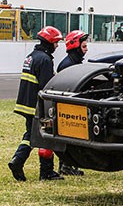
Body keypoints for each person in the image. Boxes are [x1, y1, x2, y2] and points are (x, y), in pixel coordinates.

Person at [8, 26, 64, 181]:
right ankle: (44, 171)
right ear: (49, 42)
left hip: (25, 104)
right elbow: (46, 86)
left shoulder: (31, 56)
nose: (57, 46)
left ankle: (18, 161)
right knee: (46, 136)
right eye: (56, 43)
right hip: (36, 106)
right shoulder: (45, 59)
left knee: (31, 135)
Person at [55, 30, 88, 175]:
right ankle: (66, 166)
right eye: (84, 46)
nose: (86, 50)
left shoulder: (74, 62)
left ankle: (68, 165)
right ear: (75, 45)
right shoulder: (68, 65)